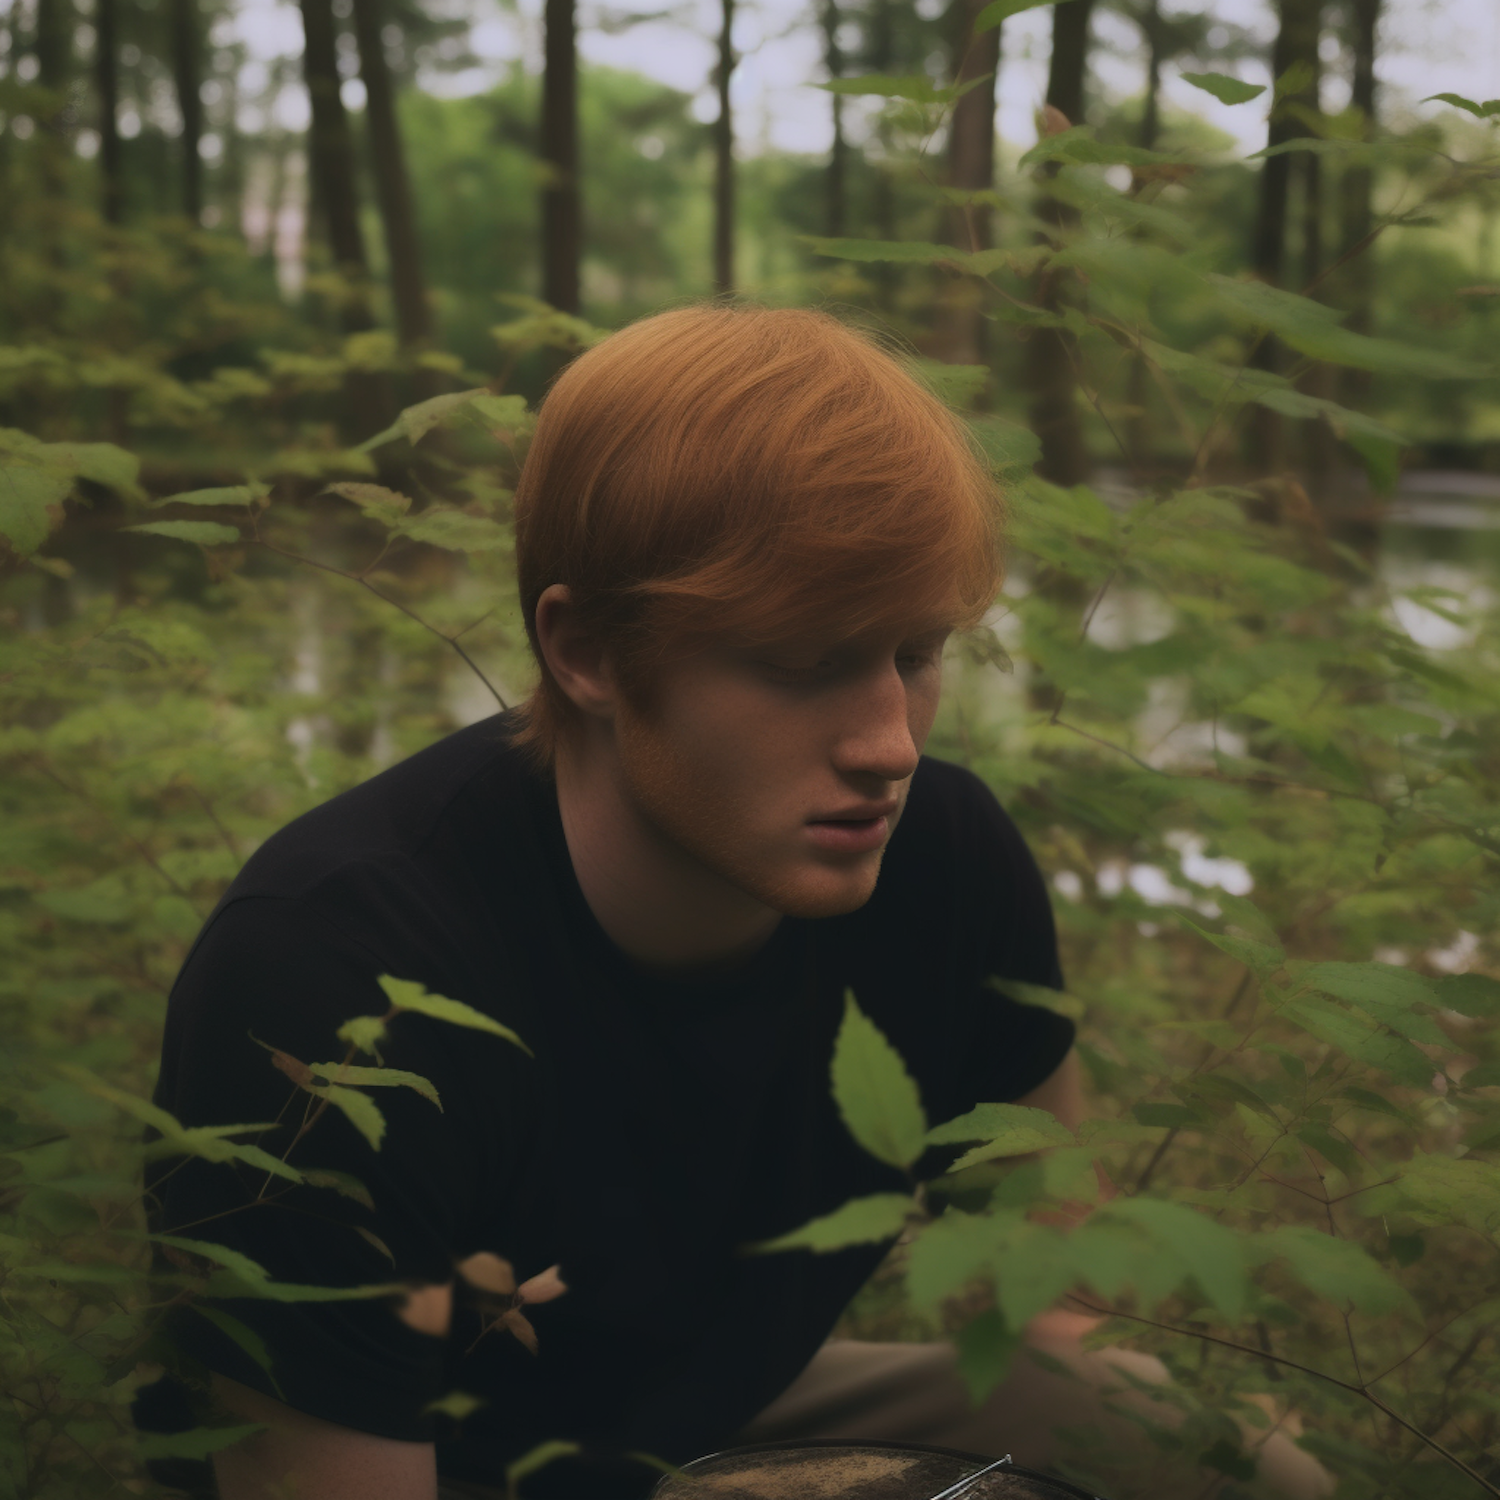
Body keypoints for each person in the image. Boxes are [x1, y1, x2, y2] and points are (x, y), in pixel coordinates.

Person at [135, 304, 1330, 1500]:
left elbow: (1069, 1301)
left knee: (1240, 1467)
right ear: (588, 651)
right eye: (805, 662)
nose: (890, 746)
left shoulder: (945, 856)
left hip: (737, 1421)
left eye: (915, 655)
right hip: (442, 1467)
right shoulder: (333, 976)